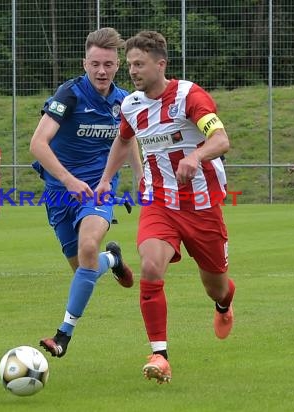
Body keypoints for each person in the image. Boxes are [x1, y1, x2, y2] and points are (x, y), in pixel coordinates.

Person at [95, 31, 236, 384]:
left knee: (216, 287)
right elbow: (123, 141)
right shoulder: (130, 105)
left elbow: (221, 140)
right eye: (129, 65)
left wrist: (196, 155)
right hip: (159, 201)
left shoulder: (190, 96)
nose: (132, 71)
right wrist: (105, 179)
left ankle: (223, 304)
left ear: (161, 64)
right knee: (151, 265)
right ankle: (160, 355)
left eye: (139, 64)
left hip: (202, 205)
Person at [30, 27, 142, 358]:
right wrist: (67, 180)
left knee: (89, 245)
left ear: (117, 64)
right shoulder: (70, 95)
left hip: (99, 187)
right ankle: (114, 258)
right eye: (95, 64)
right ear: (85, 63)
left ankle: (62, 335)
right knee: (85, 265)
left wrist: (138, 174)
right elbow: (38, 143)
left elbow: (128, 137)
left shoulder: (124, 101)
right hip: (60, 191)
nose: (101, 71)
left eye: (108, 64)